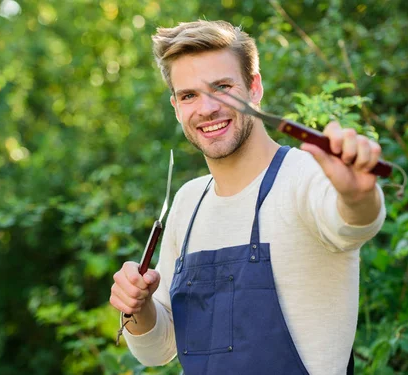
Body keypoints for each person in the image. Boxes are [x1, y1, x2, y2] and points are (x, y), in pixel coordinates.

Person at [109, 20, 386, 375]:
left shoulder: (304, 176)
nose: (206, 108)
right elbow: (160, 349)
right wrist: (138, 306)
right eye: (189, 95)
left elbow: (355, 222)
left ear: (254, 88)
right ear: (176, 107)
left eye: (222, 87)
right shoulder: (188, 203)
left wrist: (358, 192)